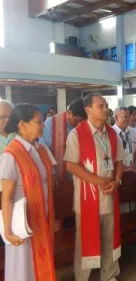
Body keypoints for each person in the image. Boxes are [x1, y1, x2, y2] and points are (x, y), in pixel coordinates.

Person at [64, 94, 124, 281]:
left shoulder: (113, 134)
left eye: (106, 106)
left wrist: (117, 181)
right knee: (85, 242)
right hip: (87, 200)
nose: (105, 109)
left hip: (109, 196)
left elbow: (119, 162)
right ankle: (83, 278)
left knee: (109, 239)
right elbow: (71, 165)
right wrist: (98, 181)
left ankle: (109, 275)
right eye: (100, 106)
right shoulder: (77, 134)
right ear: (88, 110)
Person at [0, 103, 57, 281]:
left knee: (40, 263)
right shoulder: (10, 155)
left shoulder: (42, 150)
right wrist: (8, 231)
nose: (43, 125)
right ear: (22, 124)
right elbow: (6, 197)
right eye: (39, 122)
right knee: (23, 269)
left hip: (42, 220)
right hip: (22, 224)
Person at [40, 98, 87, 179]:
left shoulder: (87, 125)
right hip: (58, 175)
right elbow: (44, 151)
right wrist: (51, 173)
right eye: (76, 121)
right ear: (69, 113)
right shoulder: (51, 124)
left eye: (82, 122)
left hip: (82, 175)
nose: (79, 125)